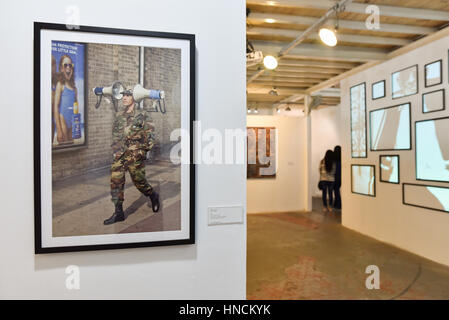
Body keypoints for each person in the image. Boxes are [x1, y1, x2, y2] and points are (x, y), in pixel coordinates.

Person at [104, 88, 160, 225]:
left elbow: (151, 136)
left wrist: (142, 151)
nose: (124, 98)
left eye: (128, 95)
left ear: (134, 98)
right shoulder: (119, 115)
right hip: (120, 154)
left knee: (139, 182)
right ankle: (118, 213)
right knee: (115, 181)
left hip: (135, 155)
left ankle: (152, 195)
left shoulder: (143, 115)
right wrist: (115, 149)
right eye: (123, 95)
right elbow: (115, 134)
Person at [53, 54, 78, 144]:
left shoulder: (75, 89)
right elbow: (56, 107)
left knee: (71, 144)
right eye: (65, 65)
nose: (68, 67)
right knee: (64, 144)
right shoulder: (60, 85)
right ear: (61, 68)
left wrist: (76, 126)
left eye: (70, 65)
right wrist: (59, 129)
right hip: (63, 119)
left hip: (72, 122)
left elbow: (76, 108)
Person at [333, 146, 342, 210]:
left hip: (335, 178)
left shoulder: (334, 160)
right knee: (337, 191)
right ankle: (337, 204)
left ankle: (338, 205)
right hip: (340, 178)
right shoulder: (342, 159)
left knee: (336, 191)